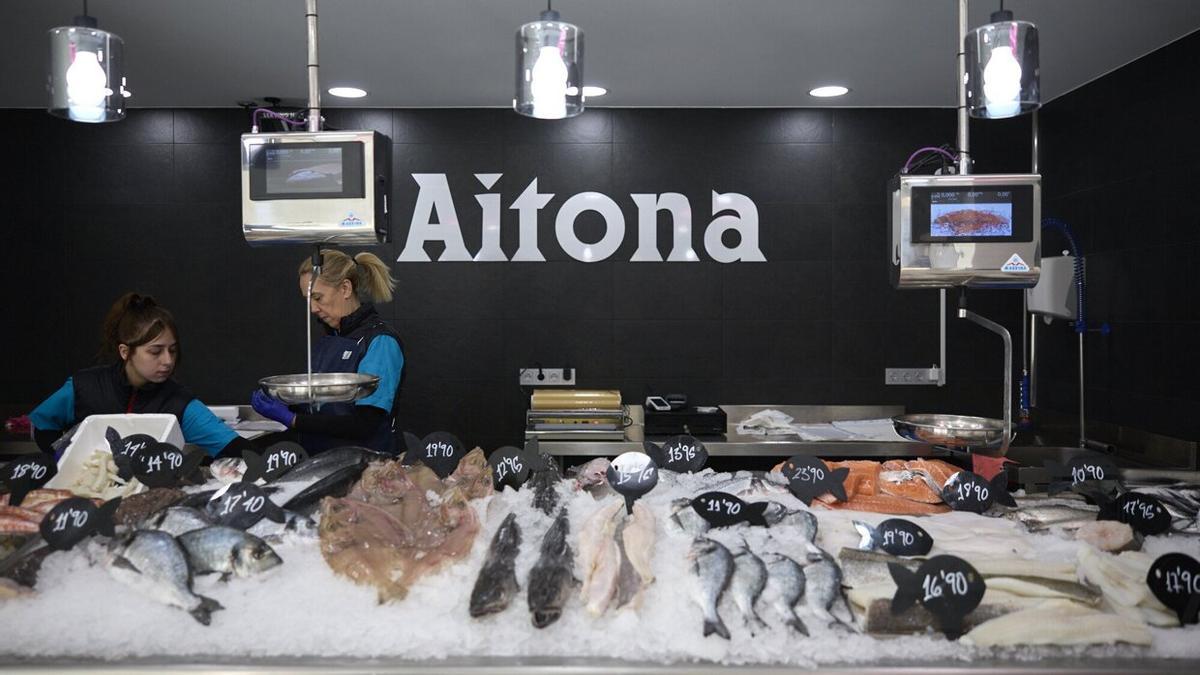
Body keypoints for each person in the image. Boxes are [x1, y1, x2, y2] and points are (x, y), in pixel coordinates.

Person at [30, 293, 254, 459]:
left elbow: (232, 447)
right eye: (155, 351)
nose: (167, 360)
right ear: (125, 351)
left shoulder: (179, 402)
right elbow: (43, 425)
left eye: (172, 350)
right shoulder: (84, 386)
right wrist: (66, 458)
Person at [250, 250, 405, 454]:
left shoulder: (380, 342)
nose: (313, 309)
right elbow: (323, 408)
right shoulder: (329, 340)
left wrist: (293, 419)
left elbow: (365, 424)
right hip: (320, 460)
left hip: (368, 464)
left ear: (345, 288)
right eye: (308, 300)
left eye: (318, 297)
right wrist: (287, 404)